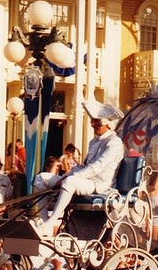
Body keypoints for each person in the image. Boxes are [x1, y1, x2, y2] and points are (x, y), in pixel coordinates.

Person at [39, 100, 125, 236]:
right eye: (92, 121)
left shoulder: (114, 143)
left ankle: (52, 221)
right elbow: (84, 166)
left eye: (95, 121)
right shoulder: (94, 142)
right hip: (85, 180)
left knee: (70, 182)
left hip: (99, 184)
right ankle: (44, 223)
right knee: (41, 178)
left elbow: (97, 167)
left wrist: (70, 177)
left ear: (106, 123)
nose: (92, 124)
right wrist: (66, 175)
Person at [33, 156, 63, 223]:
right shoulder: (41, 176)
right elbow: (38, 190)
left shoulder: (61, 177)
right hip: (45, 200)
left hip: (58, 203)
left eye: (58, 166)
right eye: (56, 166)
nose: (57, 168)